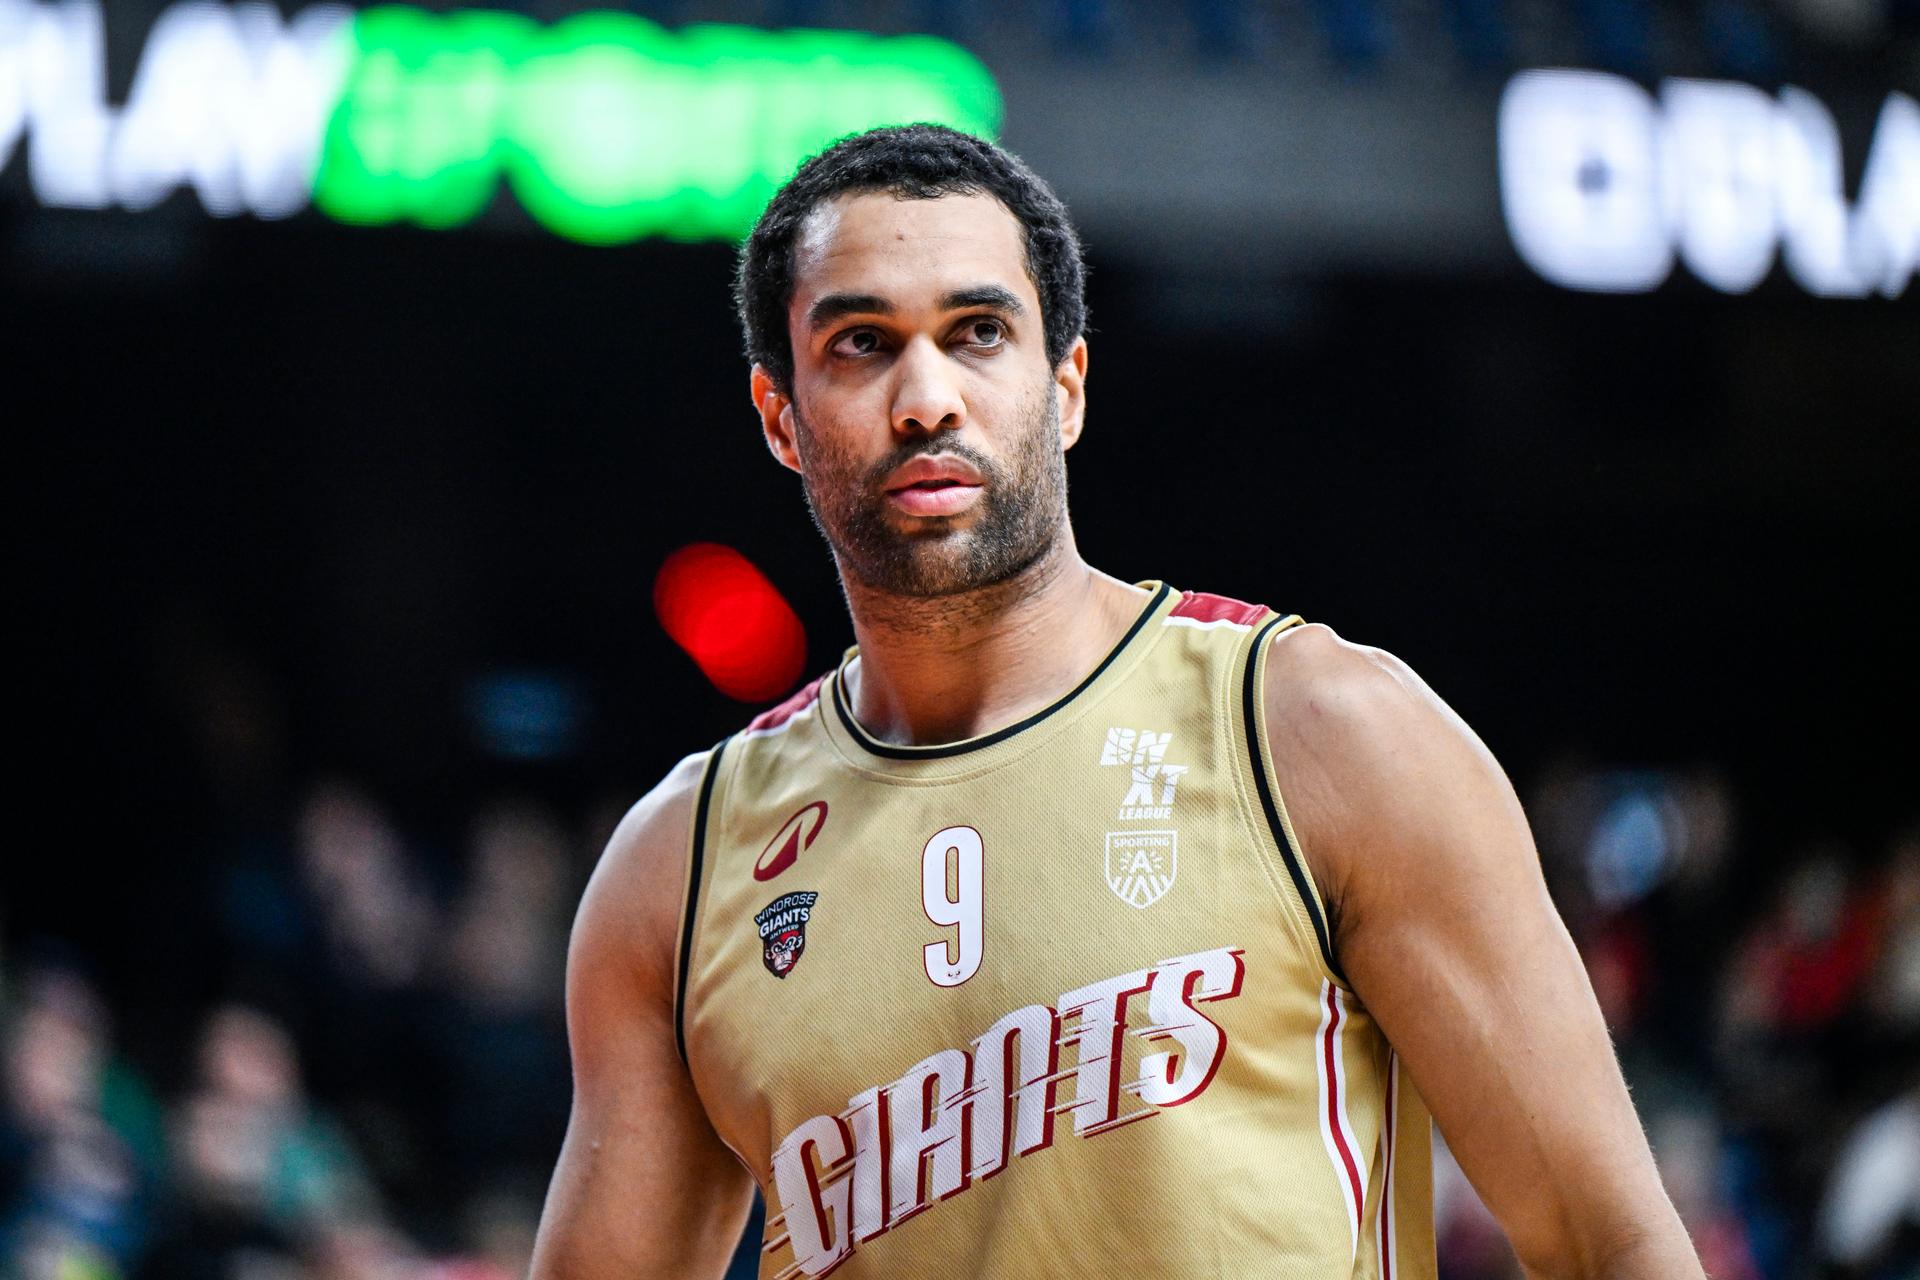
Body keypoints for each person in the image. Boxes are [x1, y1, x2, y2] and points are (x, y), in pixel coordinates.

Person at [529, 124, 1703, 1279]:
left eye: (978, 332)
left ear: (1068, 386)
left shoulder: (1318, 729)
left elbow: (1614, 1244)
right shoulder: (680, 866)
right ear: (781, 417)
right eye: (861, 343)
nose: (926, 394)